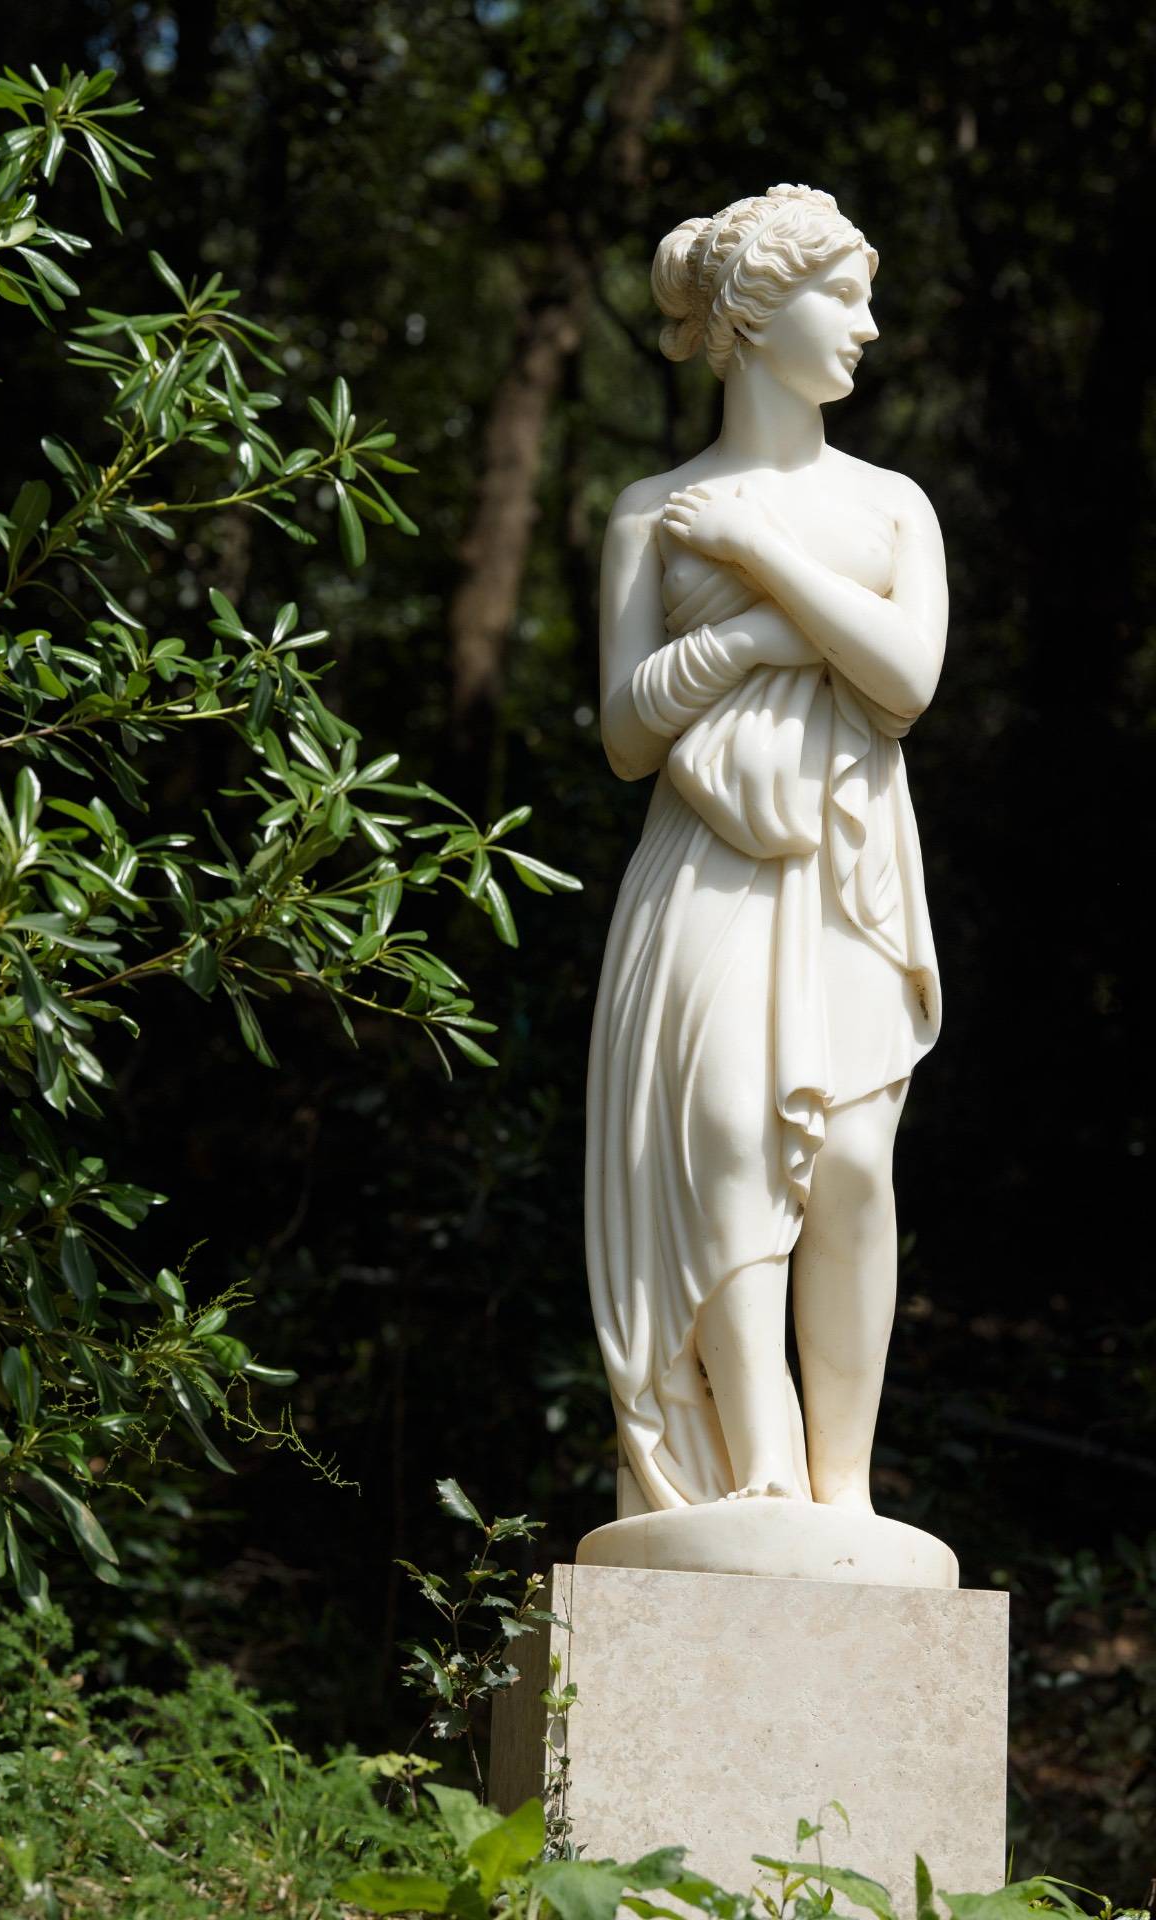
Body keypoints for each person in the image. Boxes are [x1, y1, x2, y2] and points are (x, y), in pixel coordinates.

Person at [585, 183, 947, 1521]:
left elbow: (905, 681)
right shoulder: (652, 509)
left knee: (850, 1164)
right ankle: (762, 1471)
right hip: (706, 871)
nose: (866, 327)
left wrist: (761, 561)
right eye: (841, 296)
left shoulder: (894, 506)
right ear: (754, 310)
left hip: (848, 864)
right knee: (728, 1141)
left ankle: (845, 1491)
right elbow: (627, 734)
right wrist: (755, 637)